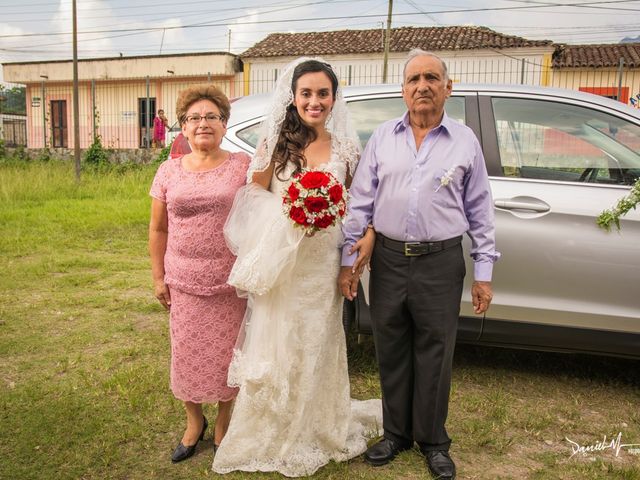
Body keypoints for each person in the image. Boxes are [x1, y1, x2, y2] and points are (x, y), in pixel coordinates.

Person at [212, 58, 381, 477]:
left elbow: (360, 205)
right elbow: (251, 198)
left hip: (323, 266)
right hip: (284, 264)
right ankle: (273, 425)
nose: (315, 101)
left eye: (323, 93)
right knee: (279, 340)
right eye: (306, 92)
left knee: (319, 340)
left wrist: (366, 239)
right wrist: (293, 212)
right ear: (293, 96)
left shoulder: (346, 149)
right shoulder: (275, 144)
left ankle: (318, 423)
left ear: (334, 98)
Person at [339, 49, 500, 480]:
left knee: (435, 351)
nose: (422, 86)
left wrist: (483, 273)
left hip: (440, 261)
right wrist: (349, 261)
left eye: (432, 77)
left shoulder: (465, 141)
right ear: (403, 90)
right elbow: (360, 204)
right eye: (414, 79)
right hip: (388, 259)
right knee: (390, 348)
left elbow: (481, 212)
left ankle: (432, 440)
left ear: (448, 87)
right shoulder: (382, 139)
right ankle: (396, 434)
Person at [148, 85, 250, 463]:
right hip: (183, 282)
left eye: (212, 117)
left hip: (229, 281)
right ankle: (194, 423)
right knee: (187, 354)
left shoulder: (242, 166)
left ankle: (223, 422)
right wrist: (158, 277)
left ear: (225, 125)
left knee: (228, 356)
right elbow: (158, 229)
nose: (203, 123)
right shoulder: (168, 170)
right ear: (183, 128)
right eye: (194, 118)